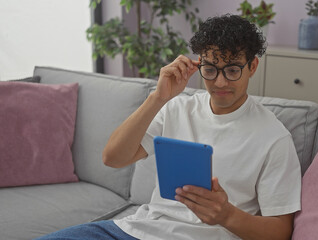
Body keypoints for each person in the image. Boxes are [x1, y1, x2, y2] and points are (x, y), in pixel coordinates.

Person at [36, 14, 301, 240]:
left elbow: (280, 230)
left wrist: (227, 214)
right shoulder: (178, 108)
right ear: (199, 65)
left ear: (252, 66)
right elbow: (113, 158)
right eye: (210, 70)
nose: (220, 82)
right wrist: (158, 97)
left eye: (232, 70)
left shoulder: (273, 138)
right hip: (138, 230)